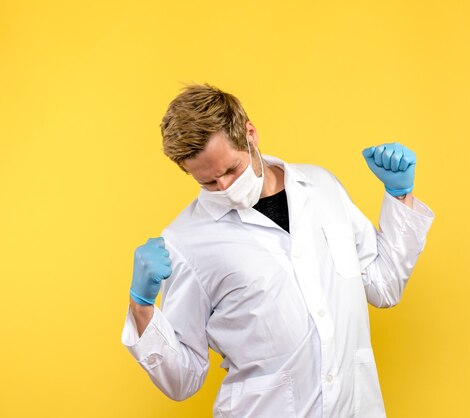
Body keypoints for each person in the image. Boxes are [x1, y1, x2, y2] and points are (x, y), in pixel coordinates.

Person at [121, 83, 435, 417]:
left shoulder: (322, 187)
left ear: (250, 134)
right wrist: (141, 307)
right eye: (208, 182)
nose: (225, 187)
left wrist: (399, 195)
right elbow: (184, 380)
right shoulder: (186, 242)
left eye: (231, 169)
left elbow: (383, 286)